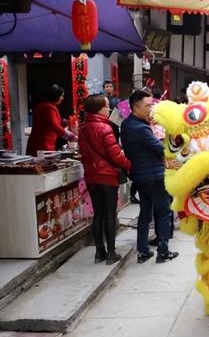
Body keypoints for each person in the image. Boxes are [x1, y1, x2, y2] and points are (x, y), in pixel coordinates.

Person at [120, 89, 178, 264]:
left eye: (152, 104)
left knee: (145, 213)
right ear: (136, 108)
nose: (151, 108)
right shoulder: (140, 128)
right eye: (147, 105)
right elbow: (159, 148)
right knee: (163, 212)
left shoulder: (128, 124)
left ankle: (143, 251)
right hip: (153, 176)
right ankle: (163, 251)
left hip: (140, 176)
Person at [78, 95, 131, 264]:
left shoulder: (84, 129)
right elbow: (115, 155)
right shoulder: (104, 128)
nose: (109, 108)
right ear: (99, 108)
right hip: (107, 176)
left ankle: (99, 252)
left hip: (92, 176)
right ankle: (111, 253)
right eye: (107, 105)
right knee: (109, 214)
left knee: (98, 214)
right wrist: (129, 165)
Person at [26, 84, 76, 156]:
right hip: (42, 144)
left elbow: (49, 123)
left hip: (43, 142)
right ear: (55, 96)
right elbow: (54, 126)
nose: (62, 98)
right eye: (61, 96)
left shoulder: (46, 105)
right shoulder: (48, 107)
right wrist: (71, 136)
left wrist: (63, 122)